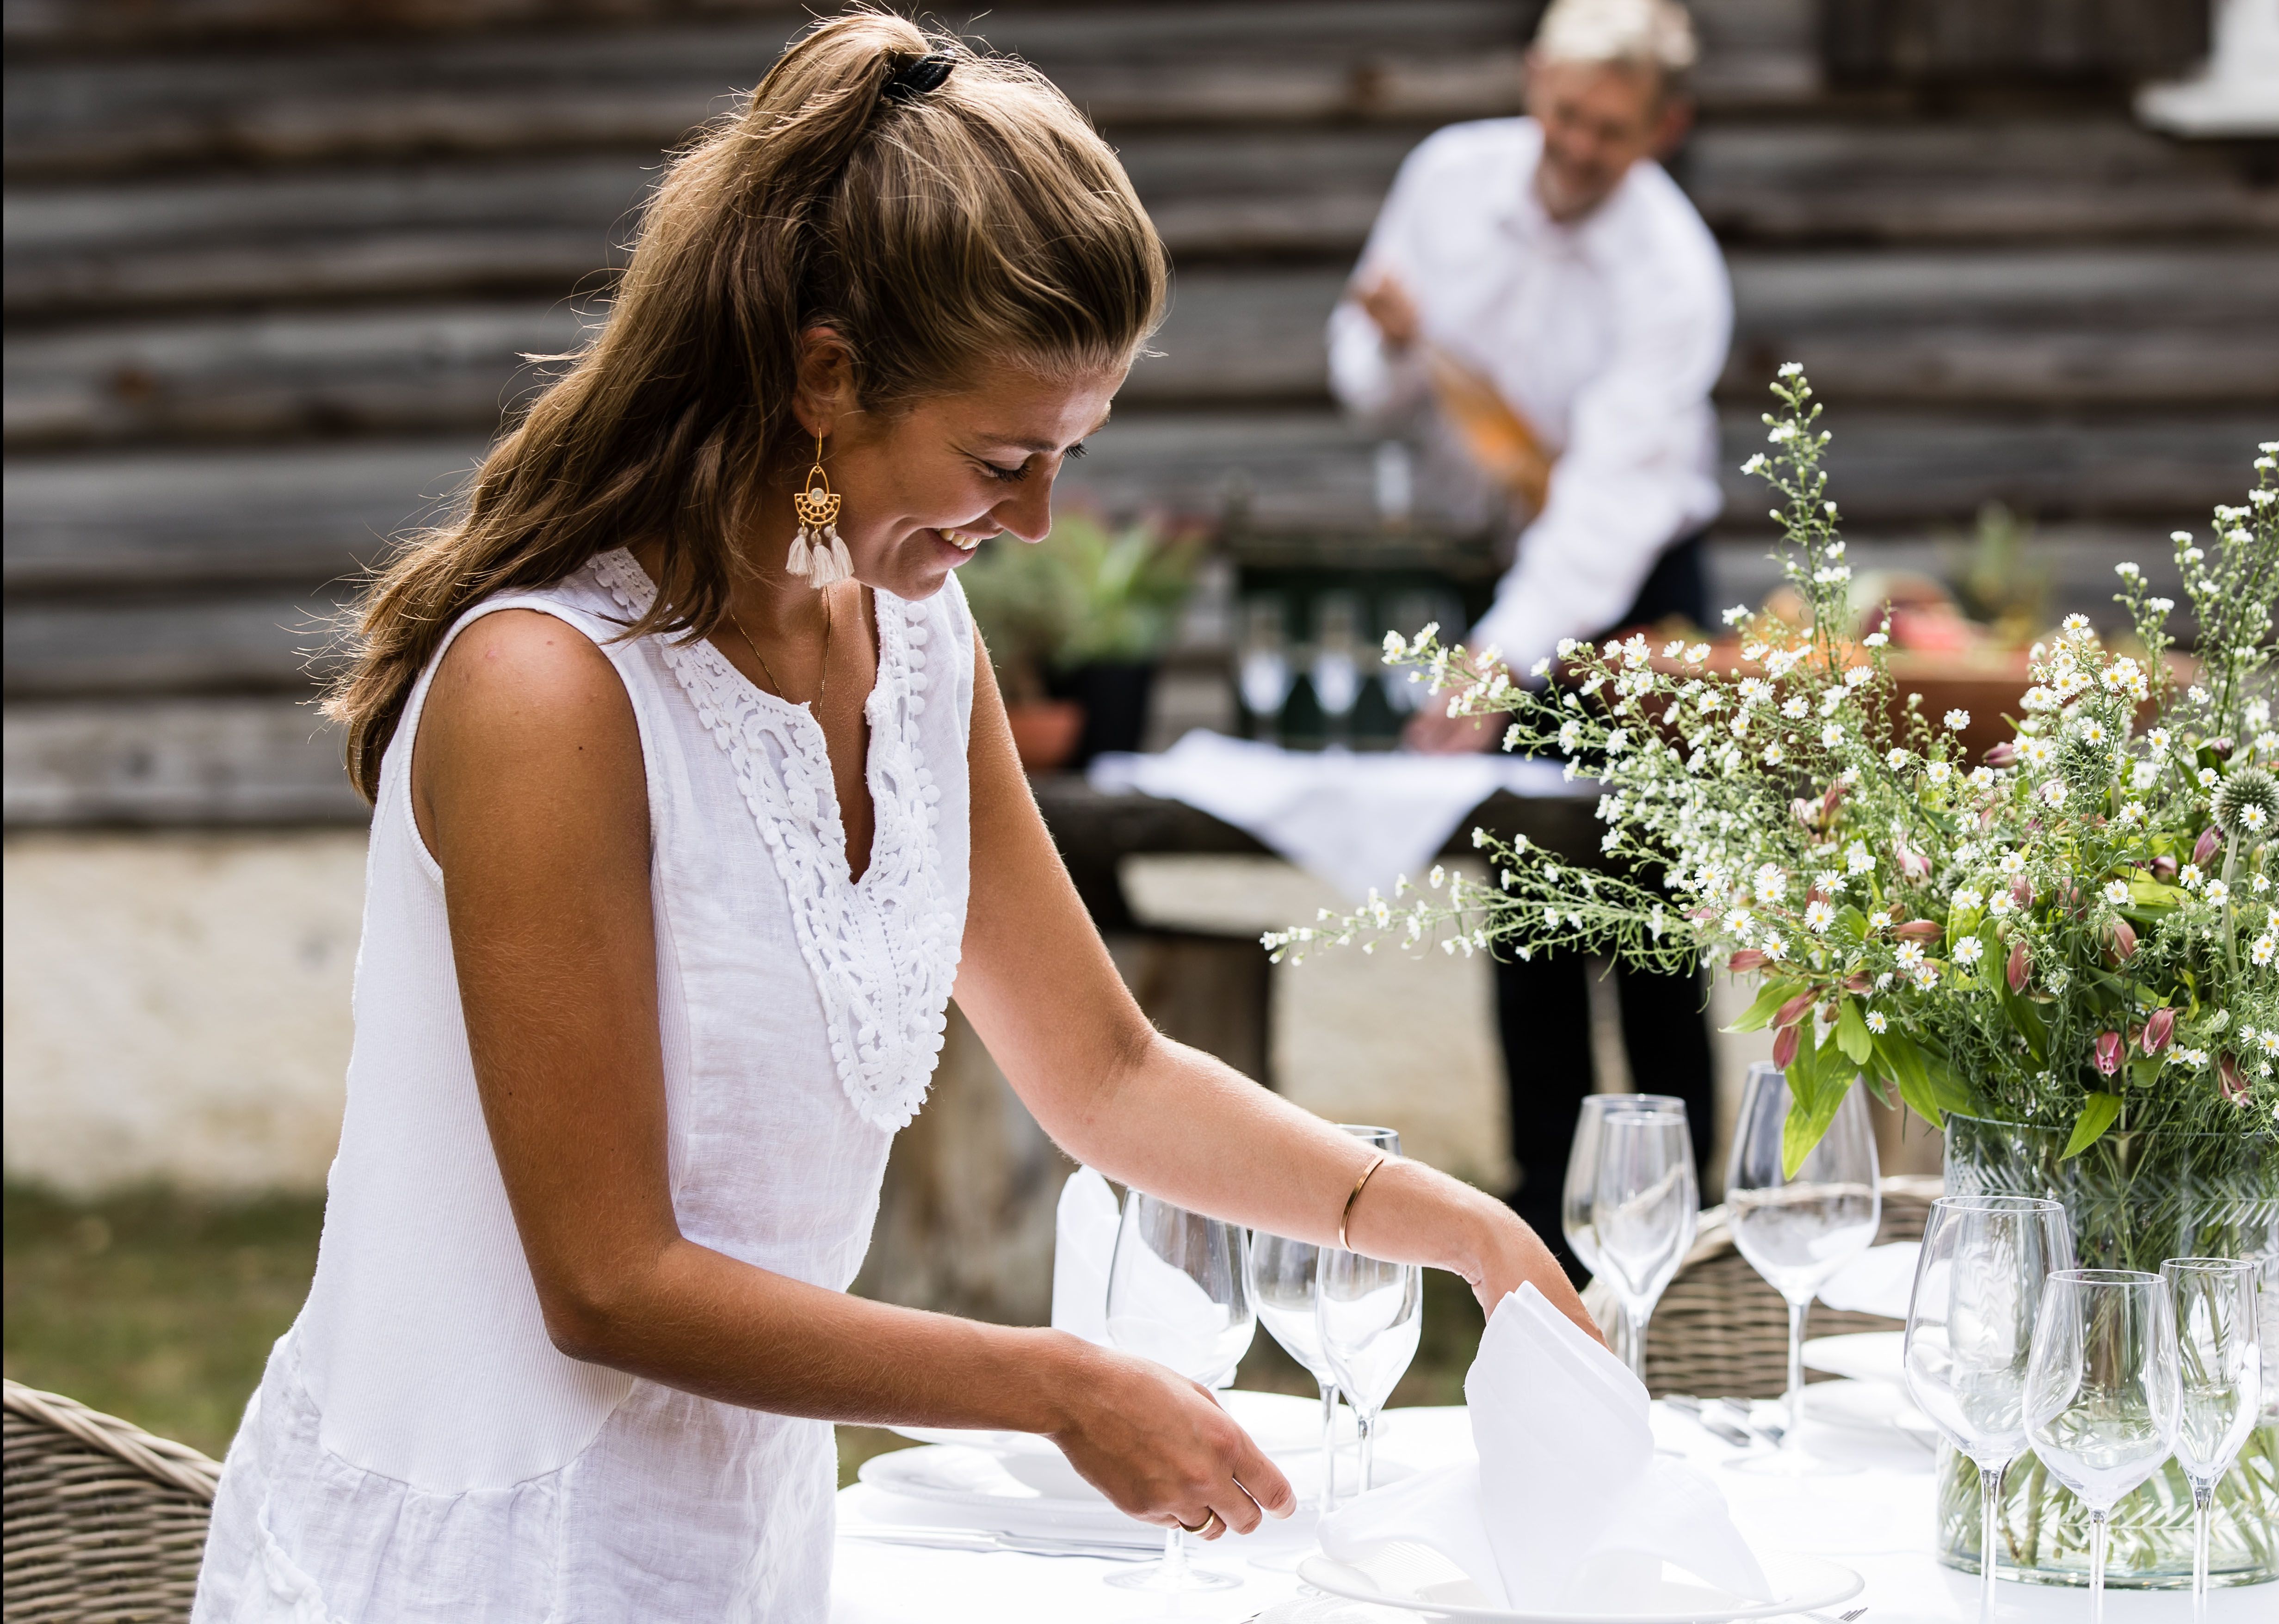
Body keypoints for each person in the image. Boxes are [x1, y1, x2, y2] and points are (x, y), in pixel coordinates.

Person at [192, 16, 1591, 1621]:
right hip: (480, 1563)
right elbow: (606, 1283)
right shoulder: (548, 695)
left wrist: (1469, 1233)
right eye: (1004, 458)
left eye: (1070, 455)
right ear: (826, 377)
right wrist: (1058, 1388)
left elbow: (1110, 1074)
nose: (1039, 519)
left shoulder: (912, 644)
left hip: (745, 1552)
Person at [1325, 0, 1730, 1267]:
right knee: (1530, 917)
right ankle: (1541, 1240)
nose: (1575, 146)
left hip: (1639, 583)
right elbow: (1361, 376)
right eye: (1562, 112)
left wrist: (1502, 659)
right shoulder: (1447, 177)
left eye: (1609, 131)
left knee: (1650, 921)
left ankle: (1679, 1241)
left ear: (1664, 129)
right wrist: (1392, 353)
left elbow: (1610, 506)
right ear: (1533, 81)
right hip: (1488, 573)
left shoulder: (1674, 275)